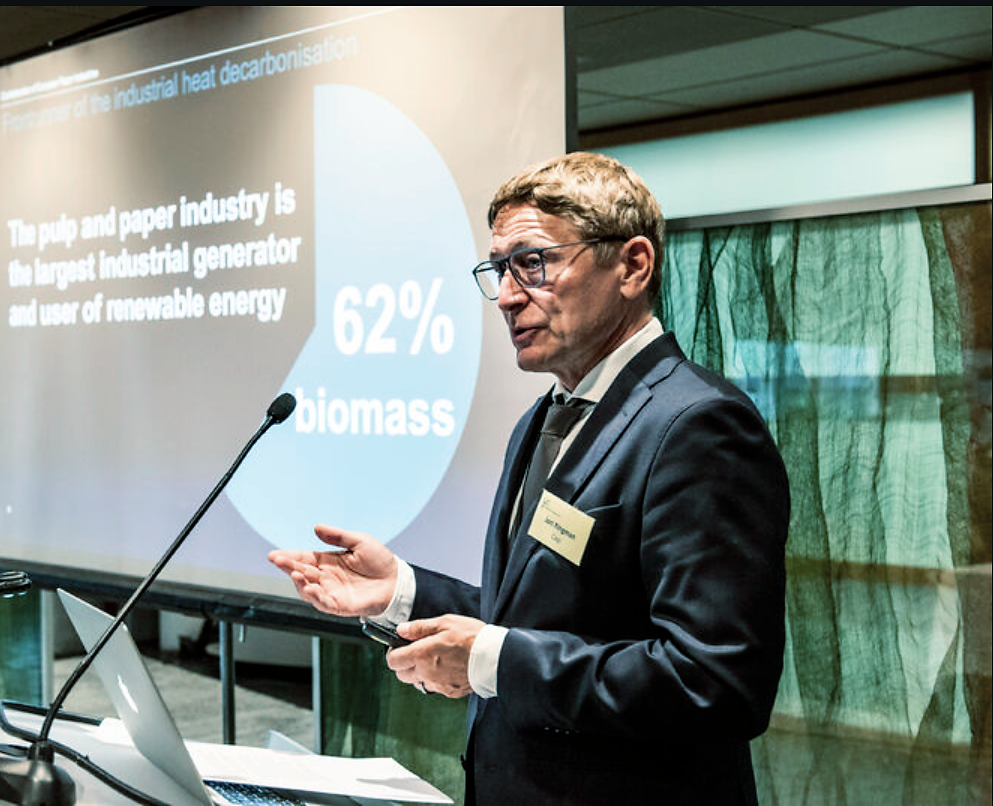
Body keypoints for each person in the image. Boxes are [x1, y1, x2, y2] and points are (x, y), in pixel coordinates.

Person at [269, 152, 789, 805]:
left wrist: (491, 661)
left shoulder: (698, 426)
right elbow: (540, 616)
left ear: (633, 265)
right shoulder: (540, 420)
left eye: (534, 263)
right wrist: (402, 590)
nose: (510, 295)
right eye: (499, 270)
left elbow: (715, 684)